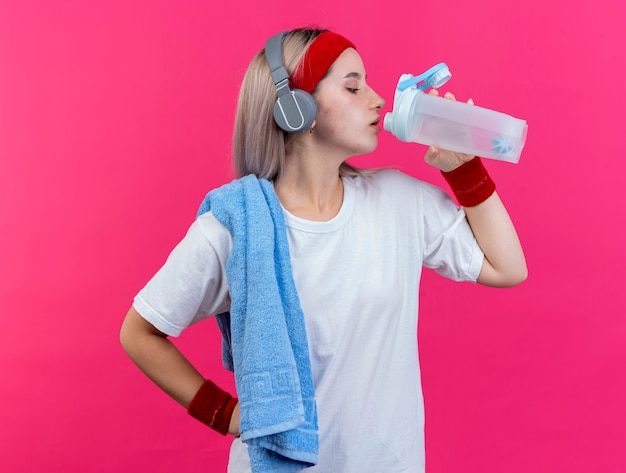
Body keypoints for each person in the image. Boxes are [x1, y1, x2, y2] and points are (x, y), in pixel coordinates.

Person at [120, 27, 527, 473]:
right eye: (353, 86)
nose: (376, 99)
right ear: (299, 110)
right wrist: (226, 414)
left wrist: (465, 166)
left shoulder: (398, 200)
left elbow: (507, 268)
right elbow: (139, 333)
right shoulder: (238, 228)